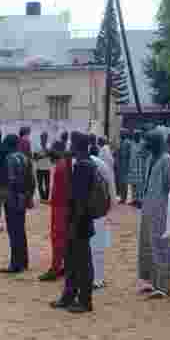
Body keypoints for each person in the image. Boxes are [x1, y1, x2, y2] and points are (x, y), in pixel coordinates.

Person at [51, 132, 95, 313]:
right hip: (78, 220)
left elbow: (81, 200)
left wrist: (74, 224)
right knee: (72, 261)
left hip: (79, 222)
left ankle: (84, 301)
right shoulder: (83, 164)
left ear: (78, 146)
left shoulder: (83, 166)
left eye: (72, 144)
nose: (69, 147)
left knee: (82, 262)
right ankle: (69, 296)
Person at [137, 129, 170, 299]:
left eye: (148, 143)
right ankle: (154, 282)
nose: (144, 145)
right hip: (148, 206)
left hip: (161, 208)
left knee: (161, 244)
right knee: (148, 243)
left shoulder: (166, 160)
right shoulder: (150, 158)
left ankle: (164, 285)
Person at [39, 143, 70, 282]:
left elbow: (59, 191)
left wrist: (51, 202)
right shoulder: (63, 164)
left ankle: (55, 268)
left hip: (60, 208)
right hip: (62, 206)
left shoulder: (60, 167)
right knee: (63, 238)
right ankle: (64, 265)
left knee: (58, 238)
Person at [1, 134, 32, 274]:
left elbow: (12, 180)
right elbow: (32, 181)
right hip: (23, 197)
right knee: (21, 230)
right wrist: (28, 196)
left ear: (8, 145)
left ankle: (15, 264)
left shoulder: (10, 159)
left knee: (13, 231)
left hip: (13, 198)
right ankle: (24, 261)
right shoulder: (25, 157)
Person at [89, 144, 116, 290]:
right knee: (97, 246)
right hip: (99, 211)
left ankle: (96, 279)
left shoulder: (81, 163)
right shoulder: (101, 165)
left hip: (93, 211)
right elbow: (111, 188)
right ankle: (97, 279)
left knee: (94, 246)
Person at [128, 131, 147, 207]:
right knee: (133, 185)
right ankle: (134, 200)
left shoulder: (143, 144)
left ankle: (140, 201)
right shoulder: (132, 143)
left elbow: (146, 154)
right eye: (135, 135)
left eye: (137, 136)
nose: (136, 137)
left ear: (140, 136)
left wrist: (141, 154)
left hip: (140, 168)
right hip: (132, 167)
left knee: (140, 186)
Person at [33, 131, 52, 203]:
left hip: (47, 167)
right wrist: (41, 156)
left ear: (47, 138)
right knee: (40, 184)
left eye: (45, 137)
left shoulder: (49, 145)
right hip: (39, 168)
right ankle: (42, 198)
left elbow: (52, 156)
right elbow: (34, 157)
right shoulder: (37, 145)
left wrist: (47, 153)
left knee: (47, 184)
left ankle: (46, 198)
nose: (44, 139)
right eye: (43, 137)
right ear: (41, 138)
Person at [116, 131, 131, 203]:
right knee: (121, 181)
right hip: (121, 163)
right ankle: (122, 197)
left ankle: (124, 198)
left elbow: (129, 154)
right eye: (120, 133)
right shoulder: (120, 142)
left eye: (122, 133)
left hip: (125, 164)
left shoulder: (128, 143)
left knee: (124, 182)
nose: (121, 134)